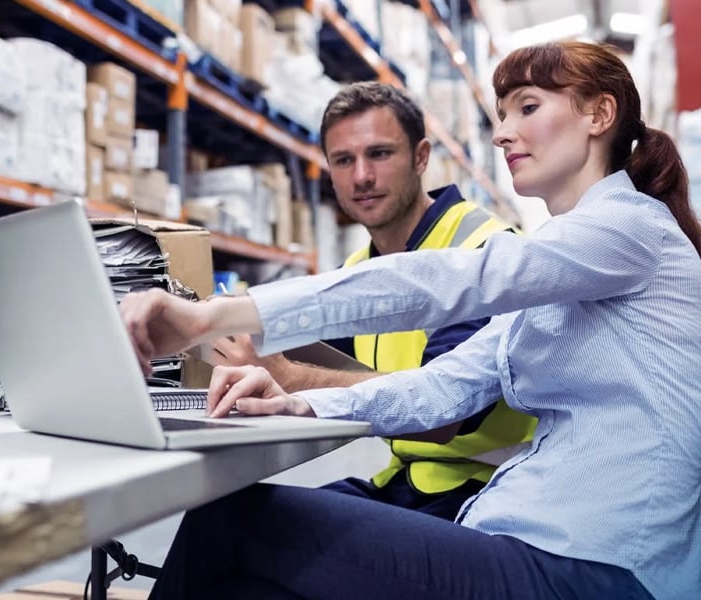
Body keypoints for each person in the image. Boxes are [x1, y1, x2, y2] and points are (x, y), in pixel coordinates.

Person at [121, 41, 701, 599]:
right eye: (501, 115)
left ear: (599, 114)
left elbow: (445, 281)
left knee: (233, 518)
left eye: (527, 108)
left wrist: (210, 317)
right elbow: (443, 386)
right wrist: (295, 402)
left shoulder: (630, 229)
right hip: (530, 539)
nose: (503, 133)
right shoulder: (563, 267)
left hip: (597, 568)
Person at [210, 81, 535, 521]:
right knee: (226, 517)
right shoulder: (360, 267)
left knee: (242, 532)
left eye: (379, 154)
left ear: (421, 157)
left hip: (485, 493)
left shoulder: (482, 251)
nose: (361, 176)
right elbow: (319, 353)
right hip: (408, 482)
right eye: (344, 160)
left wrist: (287, 376)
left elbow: (442, 417)